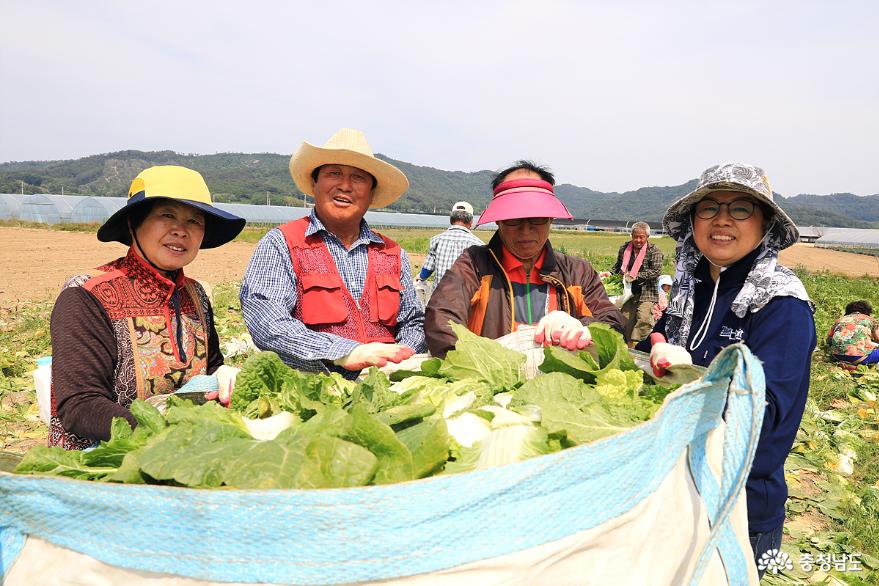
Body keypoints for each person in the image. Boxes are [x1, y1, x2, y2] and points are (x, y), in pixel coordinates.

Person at [635, 163, 815, 575]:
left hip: (737, 506)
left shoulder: (781, 305)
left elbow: (762, 422)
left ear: (765, 223)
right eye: (709, 207)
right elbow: (649, 360)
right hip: (668, 491)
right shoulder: (688, 292)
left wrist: (689, 380)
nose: (721, 220)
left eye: (739, 209)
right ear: (693, 222)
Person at [49, 166, 246, 450]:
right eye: (167, 215)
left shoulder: (196, 294)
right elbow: (80, 405)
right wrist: (162, 436)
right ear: (133, 224)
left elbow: (211, 368)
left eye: (195, 220)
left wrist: (223, 375)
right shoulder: (87, 295)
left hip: (186, 450)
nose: (181, 230)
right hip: (103, 463)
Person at [240, 128, 426, 378]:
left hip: (386, 385)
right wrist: (346, 353)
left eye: (358, 177)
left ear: (371, 193)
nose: (345, 185)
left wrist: (400, 355)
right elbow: (267, 322)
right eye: (334, 173)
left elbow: (413, 321)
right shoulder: (283, 242)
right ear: (314, 184)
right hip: (312, 392)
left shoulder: (392, 253)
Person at [425, 161, 626, 357]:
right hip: (494, 383)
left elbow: (614, 322)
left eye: (537, 217)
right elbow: (441, 320)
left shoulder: (578, 272)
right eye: (513, 219)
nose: (526, 229)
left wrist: (584, 327)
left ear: (551, 217)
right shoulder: (474, 264)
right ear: (499, 219)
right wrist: (486, 364)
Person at [611, 222, 664, 344]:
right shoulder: (624, 249)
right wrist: (610, 274)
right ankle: (626, 345)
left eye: (642, 237)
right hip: (627, 291)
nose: (638, 240)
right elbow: (618, 267)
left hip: (647, 292)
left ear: (647, 237)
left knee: (644, 318)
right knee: (625, 320)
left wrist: (635, 276)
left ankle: (637, 345)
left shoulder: (654, 251)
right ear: (631, 235)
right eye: (635, 236)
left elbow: (656, 271)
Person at [417, 201, 483, 285]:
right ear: (471, 221)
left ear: (451, 219)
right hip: (465, 296)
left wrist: (420, 278)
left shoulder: (436, 239)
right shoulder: (478, 244)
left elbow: (427, 270)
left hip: (439, 295)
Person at [826, 300, 879, 369]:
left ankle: (846, 364)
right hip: (860, 357)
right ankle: (857, 367)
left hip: (837, 356)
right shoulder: (871, 320)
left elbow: (829, 340)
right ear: (867, 312)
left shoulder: (839, 320)